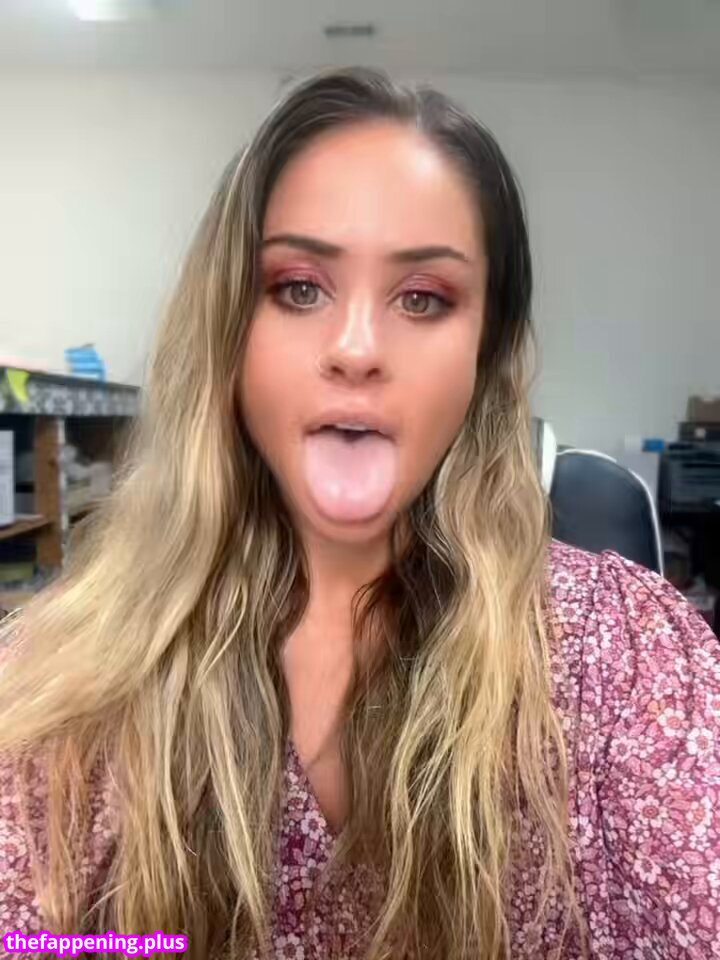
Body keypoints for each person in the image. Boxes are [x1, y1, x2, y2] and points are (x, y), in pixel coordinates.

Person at [0, 68, 718, 960]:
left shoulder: (623, 663)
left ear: (485, 351)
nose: (356, 348)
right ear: (229, 329)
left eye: (423, 298)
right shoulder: (61, 680)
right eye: (300, 287)